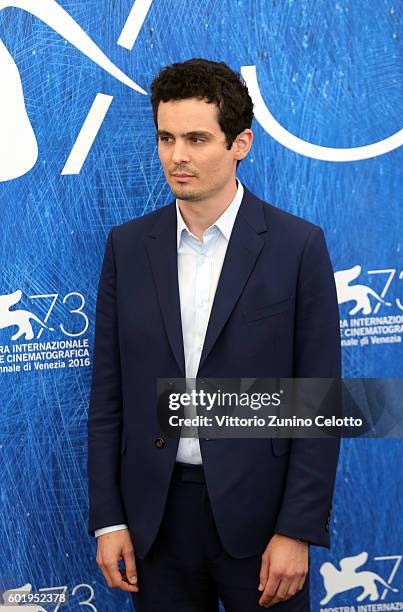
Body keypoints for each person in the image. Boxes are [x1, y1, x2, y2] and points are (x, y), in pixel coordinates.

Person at [88, 58, 341, 611]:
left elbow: (317, 405)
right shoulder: (127, 248)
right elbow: (108, 397)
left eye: (197, 139)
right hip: (155, 518)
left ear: (240, 143)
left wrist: (297, 529)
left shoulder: (298, 247)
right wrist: (109, 518)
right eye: (166, 137)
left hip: (263, 523)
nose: (177, 157)